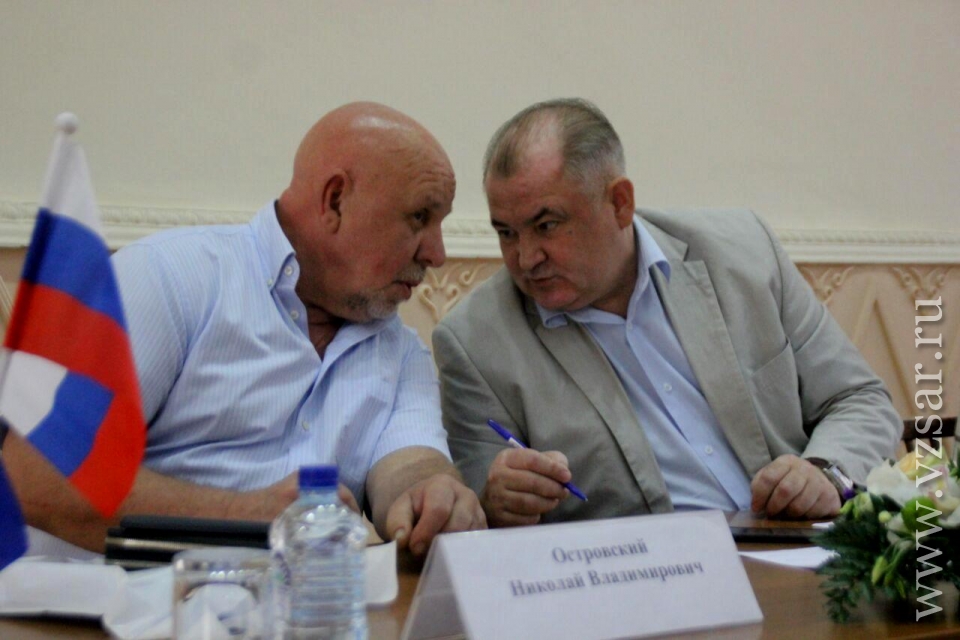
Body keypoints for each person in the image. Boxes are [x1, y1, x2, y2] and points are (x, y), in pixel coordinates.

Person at [5, 102, 485, 555]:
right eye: (419, 217)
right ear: (335, 200)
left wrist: (431, 495)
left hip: (304, 603)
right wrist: (241, 515)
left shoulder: (400, 348)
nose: (437, 254)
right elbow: (37, 475)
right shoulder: (167, 278)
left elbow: (410, 463)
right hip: (102, 598)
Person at [433, 98, 901, 528]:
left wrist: (825, 472)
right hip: (644, 575)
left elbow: (858, 398)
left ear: (619, 203)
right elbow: (483, 511)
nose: (526, 257)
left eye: (547, 225)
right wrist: (498, 502)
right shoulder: (475, 343)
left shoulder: (744, 253)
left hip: (798, 545)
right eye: (506, 233)